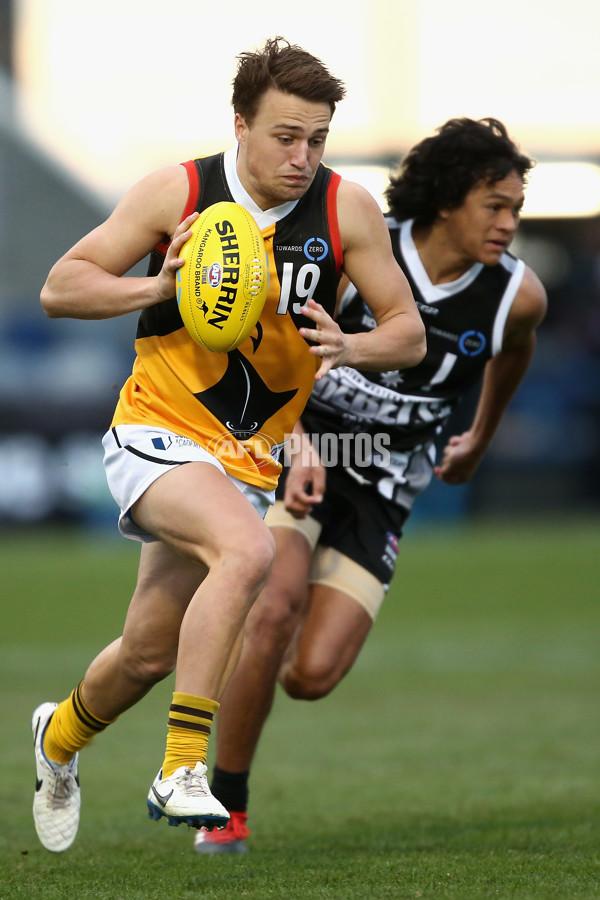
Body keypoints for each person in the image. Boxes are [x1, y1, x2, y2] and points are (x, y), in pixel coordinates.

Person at [31, 36, 425, 853]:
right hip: (156, 429)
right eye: (286, 136)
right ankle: (181, 767)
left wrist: (352, 348)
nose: (303, 156)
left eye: (317, 138)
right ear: (239, 124)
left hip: (247, 456)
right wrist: (156, 285)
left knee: (147, 652)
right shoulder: (177, 191)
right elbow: (60, 287)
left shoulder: (345, 210)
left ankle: (57, 740)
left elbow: (408, 333)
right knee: (247, 554)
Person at [193, 116, 548, 854]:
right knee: (275, 606)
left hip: (387, 483)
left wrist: (480, 433)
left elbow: (514, 353)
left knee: (311, 675)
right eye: (495, 205)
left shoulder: (518, 294)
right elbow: (266, 347)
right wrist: (291, 438)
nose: (509, 222)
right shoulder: (363, 247)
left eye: (516, 206)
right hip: (307, 452)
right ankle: (226, 806)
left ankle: (240, 657)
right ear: (448, 198)